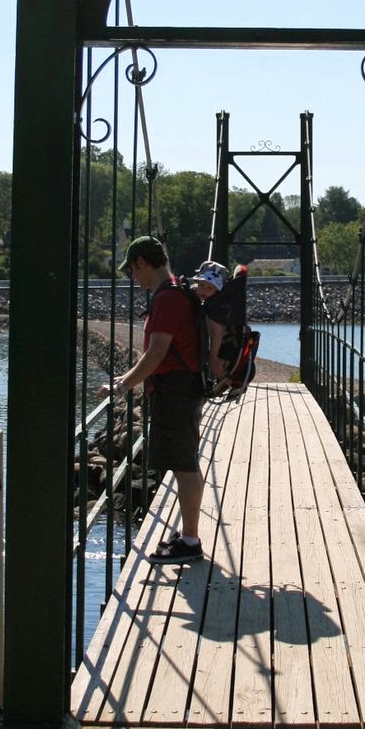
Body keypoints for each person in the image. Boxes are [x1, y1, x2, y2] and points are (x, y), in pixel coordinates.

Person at [99, 235, 205, 563]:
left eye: (132, 270)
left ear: (142, 263)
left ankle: (190, 542)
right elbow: (157, 352)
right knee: (182, 460)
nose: (133, 278)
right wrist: (126, 378)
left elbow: (157, 351)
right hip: (178, 388)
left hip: (175, 391)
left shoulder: (167, 299)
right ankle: (188, 536)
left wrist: (123, 386)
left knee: (184, 464)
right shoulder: (174, 291)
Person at [189, 260, 233, 380]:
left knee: (218, 368)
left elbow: (217, 334)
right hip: (224, 344)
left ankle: (225, 381)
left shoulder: (215, 308)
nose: (204, 290)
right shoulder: (212, 301)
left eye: (210, 288)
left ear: (218, 291)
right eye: (202, 285)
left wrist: (213, 359)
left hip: (224, 348)